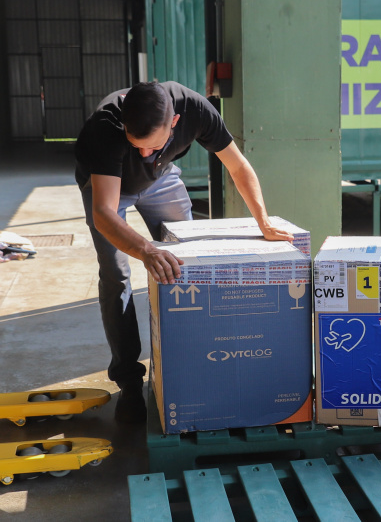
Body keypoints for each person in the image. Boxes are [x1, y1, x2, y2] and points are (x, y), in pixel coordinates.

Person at [75, 81, 293, 423]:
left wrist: (263, 221)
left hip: (161, 180)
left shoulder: (196, 110)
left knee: (187, 265)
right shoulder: (106, 127)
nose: (144, 154)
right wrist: (146, 250)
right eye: (136, 146)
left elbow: (237, 166)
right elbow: (104, 213)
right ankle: (129, 381)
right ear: (124, 127)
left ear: (175, 122)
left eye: (154, 146)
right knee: (117, 275)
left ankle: (193, 365)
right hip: (108, 186)